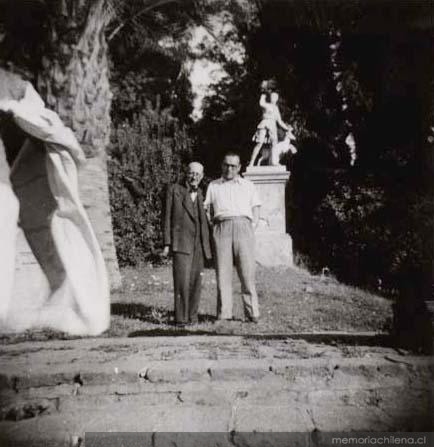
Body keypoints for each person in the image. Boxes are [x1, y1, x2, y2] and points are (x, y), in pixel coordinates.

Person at [205, 152, 261, 322]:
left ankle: (252, 314)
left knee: (247, 273)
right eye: (226, 165)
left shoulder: (248, 185)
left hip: (244, 227)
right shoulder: (213, 185)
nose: (229, 169)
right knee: (223, 273)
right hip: (221, 227)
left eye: (233, 166)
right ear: (222, 165)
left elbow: (256, 207)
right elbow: (207, 208)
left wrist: (252, 225)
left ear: (239, 167)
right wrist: (213, 226)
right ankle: (225, 314)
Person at [163, 162, 212, 325]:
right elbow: (167, 217)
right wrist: (167, 242)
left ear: (202, 176)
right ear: (186, 173)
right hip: (181, 242)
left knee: (196, 282)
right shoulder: (175, 190)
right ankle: (181, 318)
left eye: (198, 174)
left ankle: (192, 317)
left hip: (199, 244)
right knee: (182, 282)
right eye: (191, 173)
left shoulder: (201, 193)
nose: (194, 177)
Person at [249, 91, 291, 166]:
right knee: (260, 142)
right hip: (265, 123)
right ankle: (251, 162)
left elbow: (280, 121)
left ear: (277, 99)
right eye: (272, 96)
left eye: (275, 97)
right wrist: (263, 94)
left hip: (273, 125)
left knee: (274, 143)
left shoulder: (276, 108)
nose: (273, 98)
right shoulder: (266, 105)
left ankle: (273, 162)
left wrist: (287, 128)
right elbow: (261, 103)